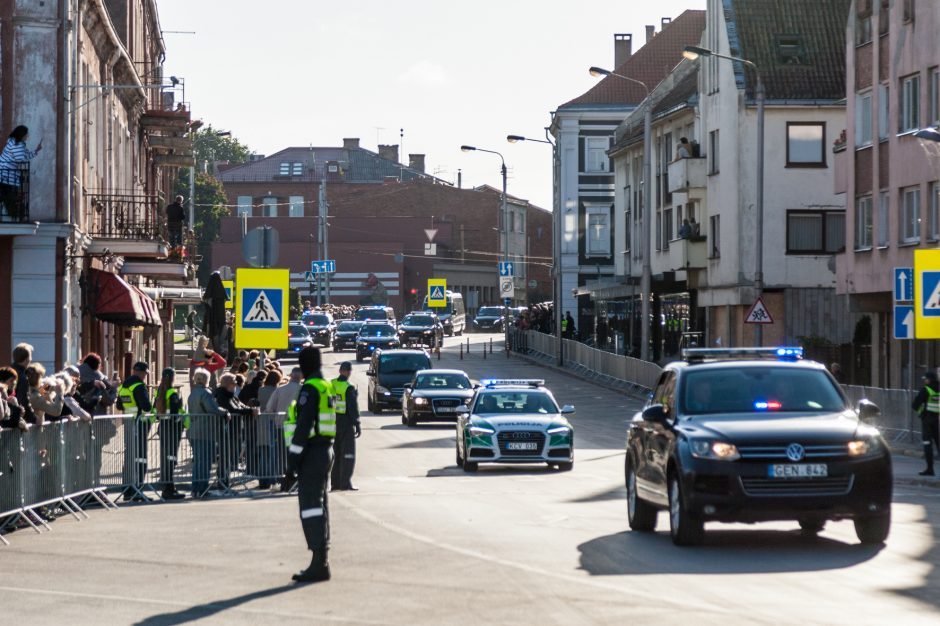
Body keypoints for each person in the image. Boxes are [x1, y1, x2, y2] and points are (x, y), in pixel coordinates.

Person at [282, 347, 336, 583]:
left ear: (303, 366)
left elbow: (303, 429)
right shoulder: (326, 386)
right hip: (325, 450)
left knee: (311, 507)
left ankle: (318, 563)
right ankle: (321, 559)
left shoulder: (310, 389)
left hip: (312, 453)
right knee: (320, 506)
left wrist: (291, 466)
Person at [187, 367, 228, 498]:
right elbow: (212, 408)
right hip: (205, 431)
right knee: (205, 462)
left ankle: (195, 489)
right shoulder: (205, 393)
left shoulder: (192, 393)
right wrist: (224, 412)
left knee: (198, 462)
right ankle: (203, 488)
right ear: (206, 380)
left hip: (194, 430)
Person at [214, 372, 258, 490]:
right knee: (225, 457)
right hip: (226, 430)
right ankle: (222, 482)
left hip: (234, 429)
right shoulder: (222, 394)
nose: (235, 385)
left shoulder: (231, 394)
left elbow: (241, 405)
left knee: (229, 456)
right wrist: (249, 412)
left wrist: (250, 409)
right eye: (233, 383)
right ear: (228, 384)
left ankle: (225, 481)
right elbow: (232, 408)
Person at [117, 362, 153, 502]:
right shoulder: (138, 386)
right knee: (140, 457)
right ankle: (138, 489)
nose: (145, 376)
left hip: (128, 424)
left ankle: (127, 489)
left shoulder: (124, 386)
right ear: (141, 372)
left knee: (129, 457)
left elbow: (119, 405)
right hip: (139, 425)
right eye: (145, 374)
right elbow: (146, 406)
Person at [154, 368, 186, 500]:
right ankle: (169, 489)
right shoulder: (172, 393)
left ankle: (168, 487)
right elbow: (175, 414)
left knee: (166, 458)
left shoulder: (159, 392)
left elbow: (157, 414)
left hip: (163, 427)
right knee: (171, 459)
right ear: (173, 378)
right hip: (172, 429)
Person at [0, 125, 42, 221]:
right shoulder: (16, 144)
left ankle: (15, 215)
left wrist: (36, 151)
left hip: (7, 175)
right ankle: (15, 216)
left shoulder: (17, 143)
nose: (28, 136)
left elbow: (24, 155)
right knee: (9, 197)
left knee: (8, 196)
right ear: (22, 134)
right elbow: (21, 158)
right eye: (27, 134)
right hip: (6, 175)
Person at [331, 361, 361, 492]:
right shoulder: (348, 387)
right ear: (347, 372)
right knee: (348, 454)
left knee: (337, 455)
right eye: (349, 371)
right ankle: (345, 483)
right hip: (345, 423)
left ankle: (335, 483)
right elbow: (352, 407)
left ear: (339, 371)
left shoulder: (331, 384)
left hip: (331, 423)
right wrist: (357, 423)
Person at [912, 370, 940, 476]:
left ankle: (930, 469)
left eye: (925, 379)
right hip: (937, 420)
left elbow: (915, 405)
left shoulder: (926, 390)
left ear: (929, 379)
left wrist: (921, 410)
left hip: (927, 421)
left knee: (927, 444)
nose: (925, 381)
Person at [11, 342, 36, 424]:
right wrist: (34, 419)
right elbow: (23, 400)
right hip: (15, 419)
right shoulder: (22, 377)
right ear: (26, 359)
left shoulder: (7, 371)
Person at [0, 367, 27, 431]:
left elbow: (19, 422)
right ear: (2, 382)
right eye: (11, 380)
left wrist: (19, 414)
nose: (14, 383)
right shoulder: (6, 399)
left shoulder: (12, 398)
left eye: (15, 380)